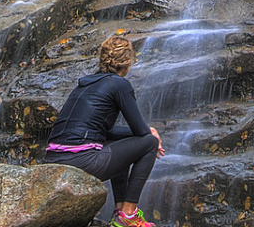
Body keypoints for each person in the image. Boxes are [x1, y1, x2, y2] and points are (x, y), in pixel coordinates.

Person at [43, 34, 166, 227]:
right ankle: (128, 214)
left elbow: (105, 132)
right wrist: (151, 132)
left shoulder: (85, 85)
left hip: (53, 158)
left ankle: (119, 212)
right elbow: (140, 131)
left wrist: (147, 130)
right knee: (149, 143)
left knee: (125, 145)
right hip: (81, 160)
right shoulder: (119, 84)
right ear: (128, 62)